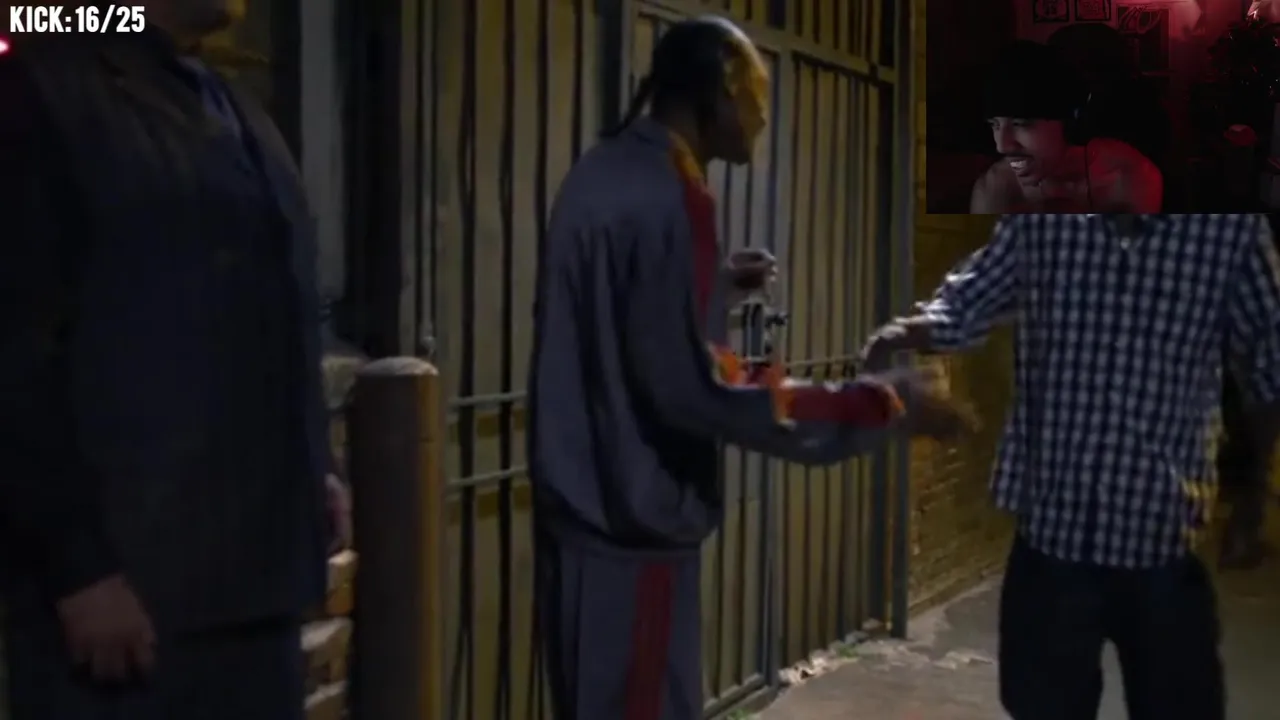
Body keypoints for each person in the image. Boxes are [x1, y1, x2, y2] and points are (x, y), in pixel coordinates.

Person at [527, 15, 972, 720]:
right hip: (634, 532)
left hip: (581, 526)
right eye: (754, 94)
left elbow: (617, 324)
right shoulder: (675, 195)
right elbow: (696, 392)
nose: (762, 115)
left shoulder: (601, 170)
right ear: (715, 94)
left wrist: (713, 290)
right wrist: (881, 404)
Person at [0, 2, 351, 719]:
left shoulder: (230, 103)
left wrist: (314, 461)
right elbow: (17, 354)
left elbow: (268, 302)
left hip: (251, 595)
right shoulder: (47, 89)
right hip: (130, 609)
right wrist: (79, 571)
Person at [860, 213, 1280, 720]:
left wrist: (1255, 495)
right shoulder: (1044, 218)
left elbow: (1269, 362)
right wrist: (893, 339)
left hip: (1162, 545)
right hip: (1052, 544)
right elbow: (964, 304)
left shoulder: (1229, 230)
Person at [970, 41, 1163, 213]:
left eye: (1020, 124)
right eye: (995, 125)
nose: (1002, 146)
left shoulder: (1132, 179)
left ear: (1071, 124)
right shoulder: (994, 189)